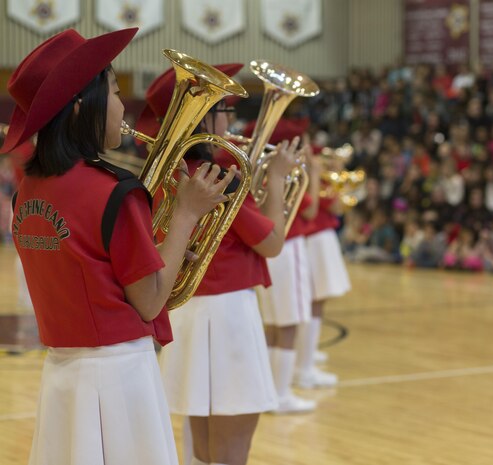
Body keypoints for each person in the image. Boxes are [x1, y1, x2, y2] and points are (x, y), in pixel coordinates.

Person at [4, 28, 235, 465]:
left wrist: (160, 253)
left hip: (61, 373)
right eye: (113, 91)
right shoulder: (115, 191)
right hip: (118, 376)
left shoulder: (28, 191)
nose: (121, 106)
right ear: (80, 106)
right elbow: (148, 302)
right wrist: (185, 215)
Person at [138, 65, 304, 465]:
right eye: (225, 108)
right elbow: (273, 243)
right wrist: (278, 178)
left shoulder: (171, 173)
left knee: (203, 448)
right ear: (205, 118)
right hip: (228, 319)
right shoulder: (217, 178)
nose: (231, 119)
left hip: (192, 317)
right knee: (230, 453)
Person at [253, 118, 324, 413]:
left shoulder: (264, 173)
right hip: (288, 246)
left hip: (268, 253)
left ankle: (270, 392)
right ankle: (281, 395)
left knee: (272, 323)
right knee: (289, 324)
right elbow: (311, 209)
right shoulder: (287, 176)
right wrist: (315, 173)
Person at [296, 148, 352, 386]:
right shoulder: (307, 178)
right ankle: (304, 365)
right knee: (314, 303)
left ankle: (306, 356)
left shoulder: (316, 179)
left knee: (317, 303)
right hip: (315, 239)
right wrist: (320, 174)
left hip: (320, 239)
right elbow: (323, 208)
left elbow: (338, 209)